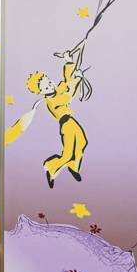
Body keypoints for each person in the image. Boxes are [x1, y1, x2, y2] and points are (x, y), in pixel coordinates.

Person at [27, 46, 90, 188]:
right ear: (41, 92)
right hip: (66, 125)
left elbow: (66, 80)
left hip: (71, 121)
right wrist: (78, 79)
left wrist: (68, 61)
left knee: (82, 141)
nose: (50, 86)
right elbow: (68, 96)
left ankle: (74, 166)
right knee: (67, 154)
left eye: (49, 82)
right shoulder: (51, 100)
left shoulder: (56, 91)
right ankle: (50, 166)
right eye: (46, 87)